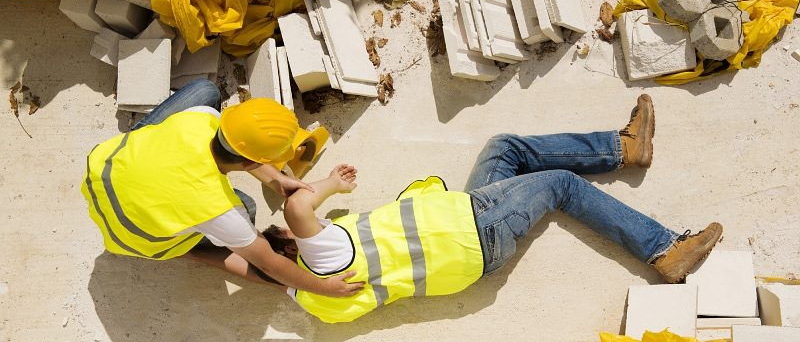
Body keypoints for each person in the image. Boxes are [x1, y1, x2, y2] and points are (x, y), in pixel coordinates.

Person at [264, 94, 723, 323]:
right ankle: (664, 250)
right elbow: (299, 208)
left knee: (504, 148)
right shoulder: (324, 257)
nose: (312, 226)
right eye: (292, 236)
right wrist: (330, 183)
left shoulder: (314, 301)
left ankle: (625, 147)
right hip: (476, 228)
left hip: (469, 233)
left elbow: (259, 267)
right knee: (561, 185)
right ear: (291, 250)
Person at [81, 79, 364, 298]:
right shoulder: (223, 211)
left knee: (204, 90)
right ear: (251, 162)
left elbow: (238, 148)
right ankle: (186, 248)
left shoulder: (200, 117)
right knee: (249, 209)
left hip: (103, 171)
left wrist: (274, 178)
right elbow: (269, 265)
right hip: (133, 236)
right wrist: (324, 288)